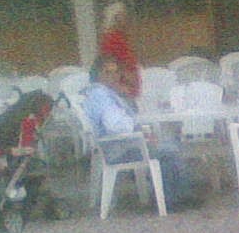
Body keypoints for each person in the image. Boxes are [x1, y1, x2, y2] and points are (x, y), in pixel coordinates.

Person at [82, 54, 200, 211]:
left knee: (168, 145)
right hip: (119, 149)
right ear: (98, 74)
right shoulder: (101, 95)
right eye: (108, 72)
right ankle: (171, 200)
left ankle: (175, 194)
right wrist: (141, 134)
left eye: (116, 72)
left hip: (117, 146)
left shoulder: (101, 93)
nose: (114, 76)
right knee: (169, 150)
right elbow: (116, 125)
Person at [97, 1, 141, 100]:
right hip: (121, 89)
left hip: (129, 86)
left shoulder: (122, 37)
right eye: (123, 16)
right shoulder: (111, 39)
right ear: (115, 18)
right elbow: (110, 66)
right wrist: (121, 85)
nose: (127, 19)